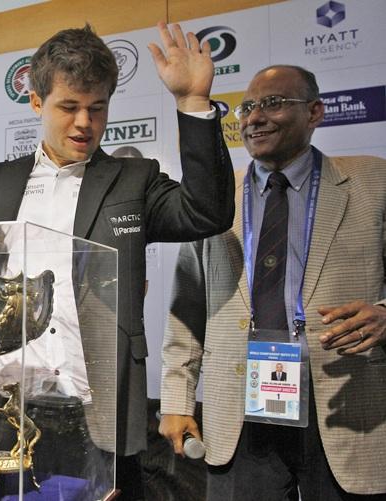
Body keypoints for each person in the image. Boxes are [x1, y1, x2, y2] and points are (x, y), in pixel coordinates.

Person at [0, 23, 234, 497]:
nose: (84, 123)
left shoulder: (134, 180)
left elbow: (207, 212)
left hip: (91, 410)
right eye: (69, 107)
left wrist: (193, 103)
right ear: (37, 103)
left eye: (97, 109)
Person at [160, 64, 386, 499]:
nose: (255, 117)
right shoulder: (214, 196)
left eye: (274, 103)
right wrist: (176, 398)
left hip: (344, 407)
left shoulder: (374, 182)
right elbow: (186, 307)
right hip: (240, 411)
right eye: (247, 107)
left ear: (315, 112)